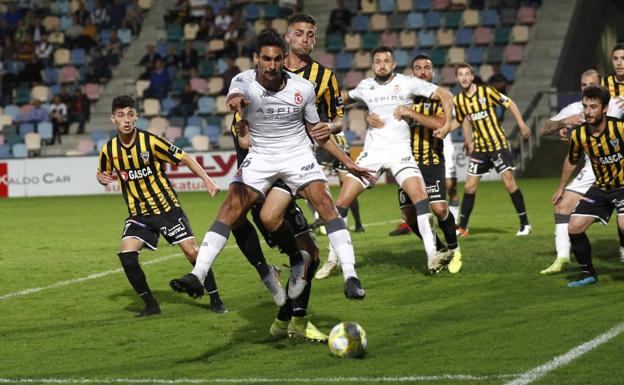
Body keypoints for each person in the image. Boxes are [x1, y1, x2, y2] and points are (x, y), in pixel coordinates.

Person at [169, 30, 374, 320]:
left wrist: (350, 164)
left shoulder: (303, 88)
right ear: (257, 59)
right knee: (231, 207)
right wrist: (237, 105)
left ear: (283, 60)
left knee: (325, 202)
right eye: (266, 59)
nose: (272, 65)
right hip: (262, 158)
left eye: (277, 59)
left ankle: (351, 276)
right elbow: (236, 97)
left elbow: (319, 134)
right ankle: (198, 275)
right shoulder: (242, 81)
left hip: (297, 155)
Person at [96, 95, 226, 316]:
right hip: (138, 214)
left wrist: (207, 180)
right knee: (127, 256)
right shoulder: (109, 150)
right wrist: (102, 178)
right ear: (113, 119)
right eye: (121, 115)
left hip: (166, 209)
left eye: (130, 114)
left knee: (193, 254)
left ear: (136, 116)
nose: (126, 120)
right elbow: (103, 173)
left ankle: (215, 298)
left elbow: (184, 157)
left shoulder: (150, 142)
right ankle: (151, 305)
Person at [333, 46, 455, 273]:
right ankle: (334, 259)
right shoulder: (371, 87)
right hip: (387, 156)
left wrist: (444, 122)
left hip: (420, 158)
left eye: (386, 61)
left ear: (394, 64)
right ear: (372, 65)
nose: (382, 65)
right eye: (377, 61)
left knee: (435, 207)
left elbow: (443, 106)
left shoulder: (415, 88)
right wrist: (329, 104)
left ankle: (449, 250)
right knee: (406, 214)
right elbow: (348, 99)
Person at [369, 54, 462, 273]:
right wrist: (369, 118)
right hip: (405, 162)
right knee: (409, 216)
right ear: (413, 72)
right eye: (418, 68)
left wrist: (410, 113)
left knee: (439, 209)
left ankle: (454, 249)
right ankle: (439, 250)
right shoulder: (402, 95)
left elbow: (439, 123)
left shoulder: (440, 98)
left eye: (427, 68)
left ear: (433, 72)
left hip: (431, 160)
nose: (422, 72)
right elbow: (382, 115)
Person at [541, 70, 624, 274]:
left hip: (619, 174)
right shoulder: (576, 111)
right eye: (584, 85)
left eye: (592, 84)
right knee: (565, 212)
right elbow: (545, 129)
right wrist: (565, 122)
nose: (588, 88)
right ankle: (564, 258)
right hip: (593, 170)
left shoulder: (615, 104)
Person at [454, 63, 532, 237]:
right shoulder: (458, 100)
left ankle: (525, 224)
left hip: (497, 144)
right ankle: (463, 227)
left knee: (509, 183)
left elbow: (509, 103)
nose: (464, 77)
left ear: (472, 76)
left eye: (467, 74)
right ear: (457, 78)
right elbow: (462, 120)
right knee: (469, 187)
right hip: (480, 148)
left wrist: (521, 124)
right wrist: (445, 130)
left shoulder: (486, 92)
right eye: (461, 75)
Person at [560, 86, 624, 287]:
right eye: (585, 106)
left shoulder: (620, 129)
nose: (588, 111)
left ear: (605, 108)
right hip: (601, 188)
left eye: (593, 107)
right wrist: (561, 187)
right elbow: (571, 160)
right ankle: (588, 274)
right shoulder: (579, 134)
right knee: (574, 227)